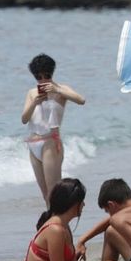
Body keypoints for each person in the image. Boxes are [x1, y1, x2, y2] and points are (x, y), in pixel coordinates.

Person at [21, 53, 85, 206]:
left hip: (50, 142)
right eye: (39, 77)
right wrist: (35, 102)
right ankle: (53, 226)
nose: (43, 80)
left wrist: (57, 90)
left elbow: (81, 100)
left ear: (52, 73)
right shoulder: (31, 93)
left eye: (47, 75)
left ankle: (60, 226)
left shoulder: (61, 90)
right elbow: (24, 119)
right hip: (33, 142)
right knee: (46, 196)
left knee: (54, 193)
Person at [24, 178, 94, 261]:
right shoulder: (55, 230)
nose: (84, 205)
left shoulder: (64, 227)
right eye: (82, 201)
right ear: (75, 204)